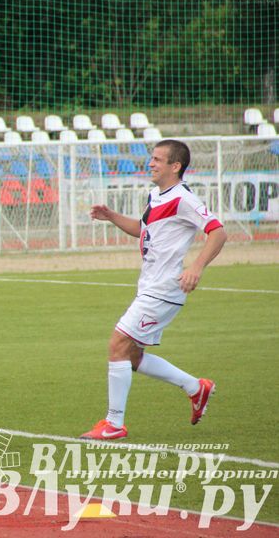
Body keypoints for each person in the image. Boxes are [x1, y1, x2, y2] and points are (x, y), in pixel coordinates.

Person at [80, 139, 227, 440]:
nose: (151, 163)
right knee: (131, 356)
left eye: (158, 159)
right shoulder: (156, 195)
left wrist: (196, 267)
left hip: (164, 288)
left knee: (117, 344)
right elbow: (142, 229)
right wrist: (111, 216)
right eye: (152, 158)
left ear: (175, 166)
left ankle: (114, 423)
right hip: (149, 285)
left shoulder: (183, 199)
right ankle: (195, 387)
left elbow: (218, 232)